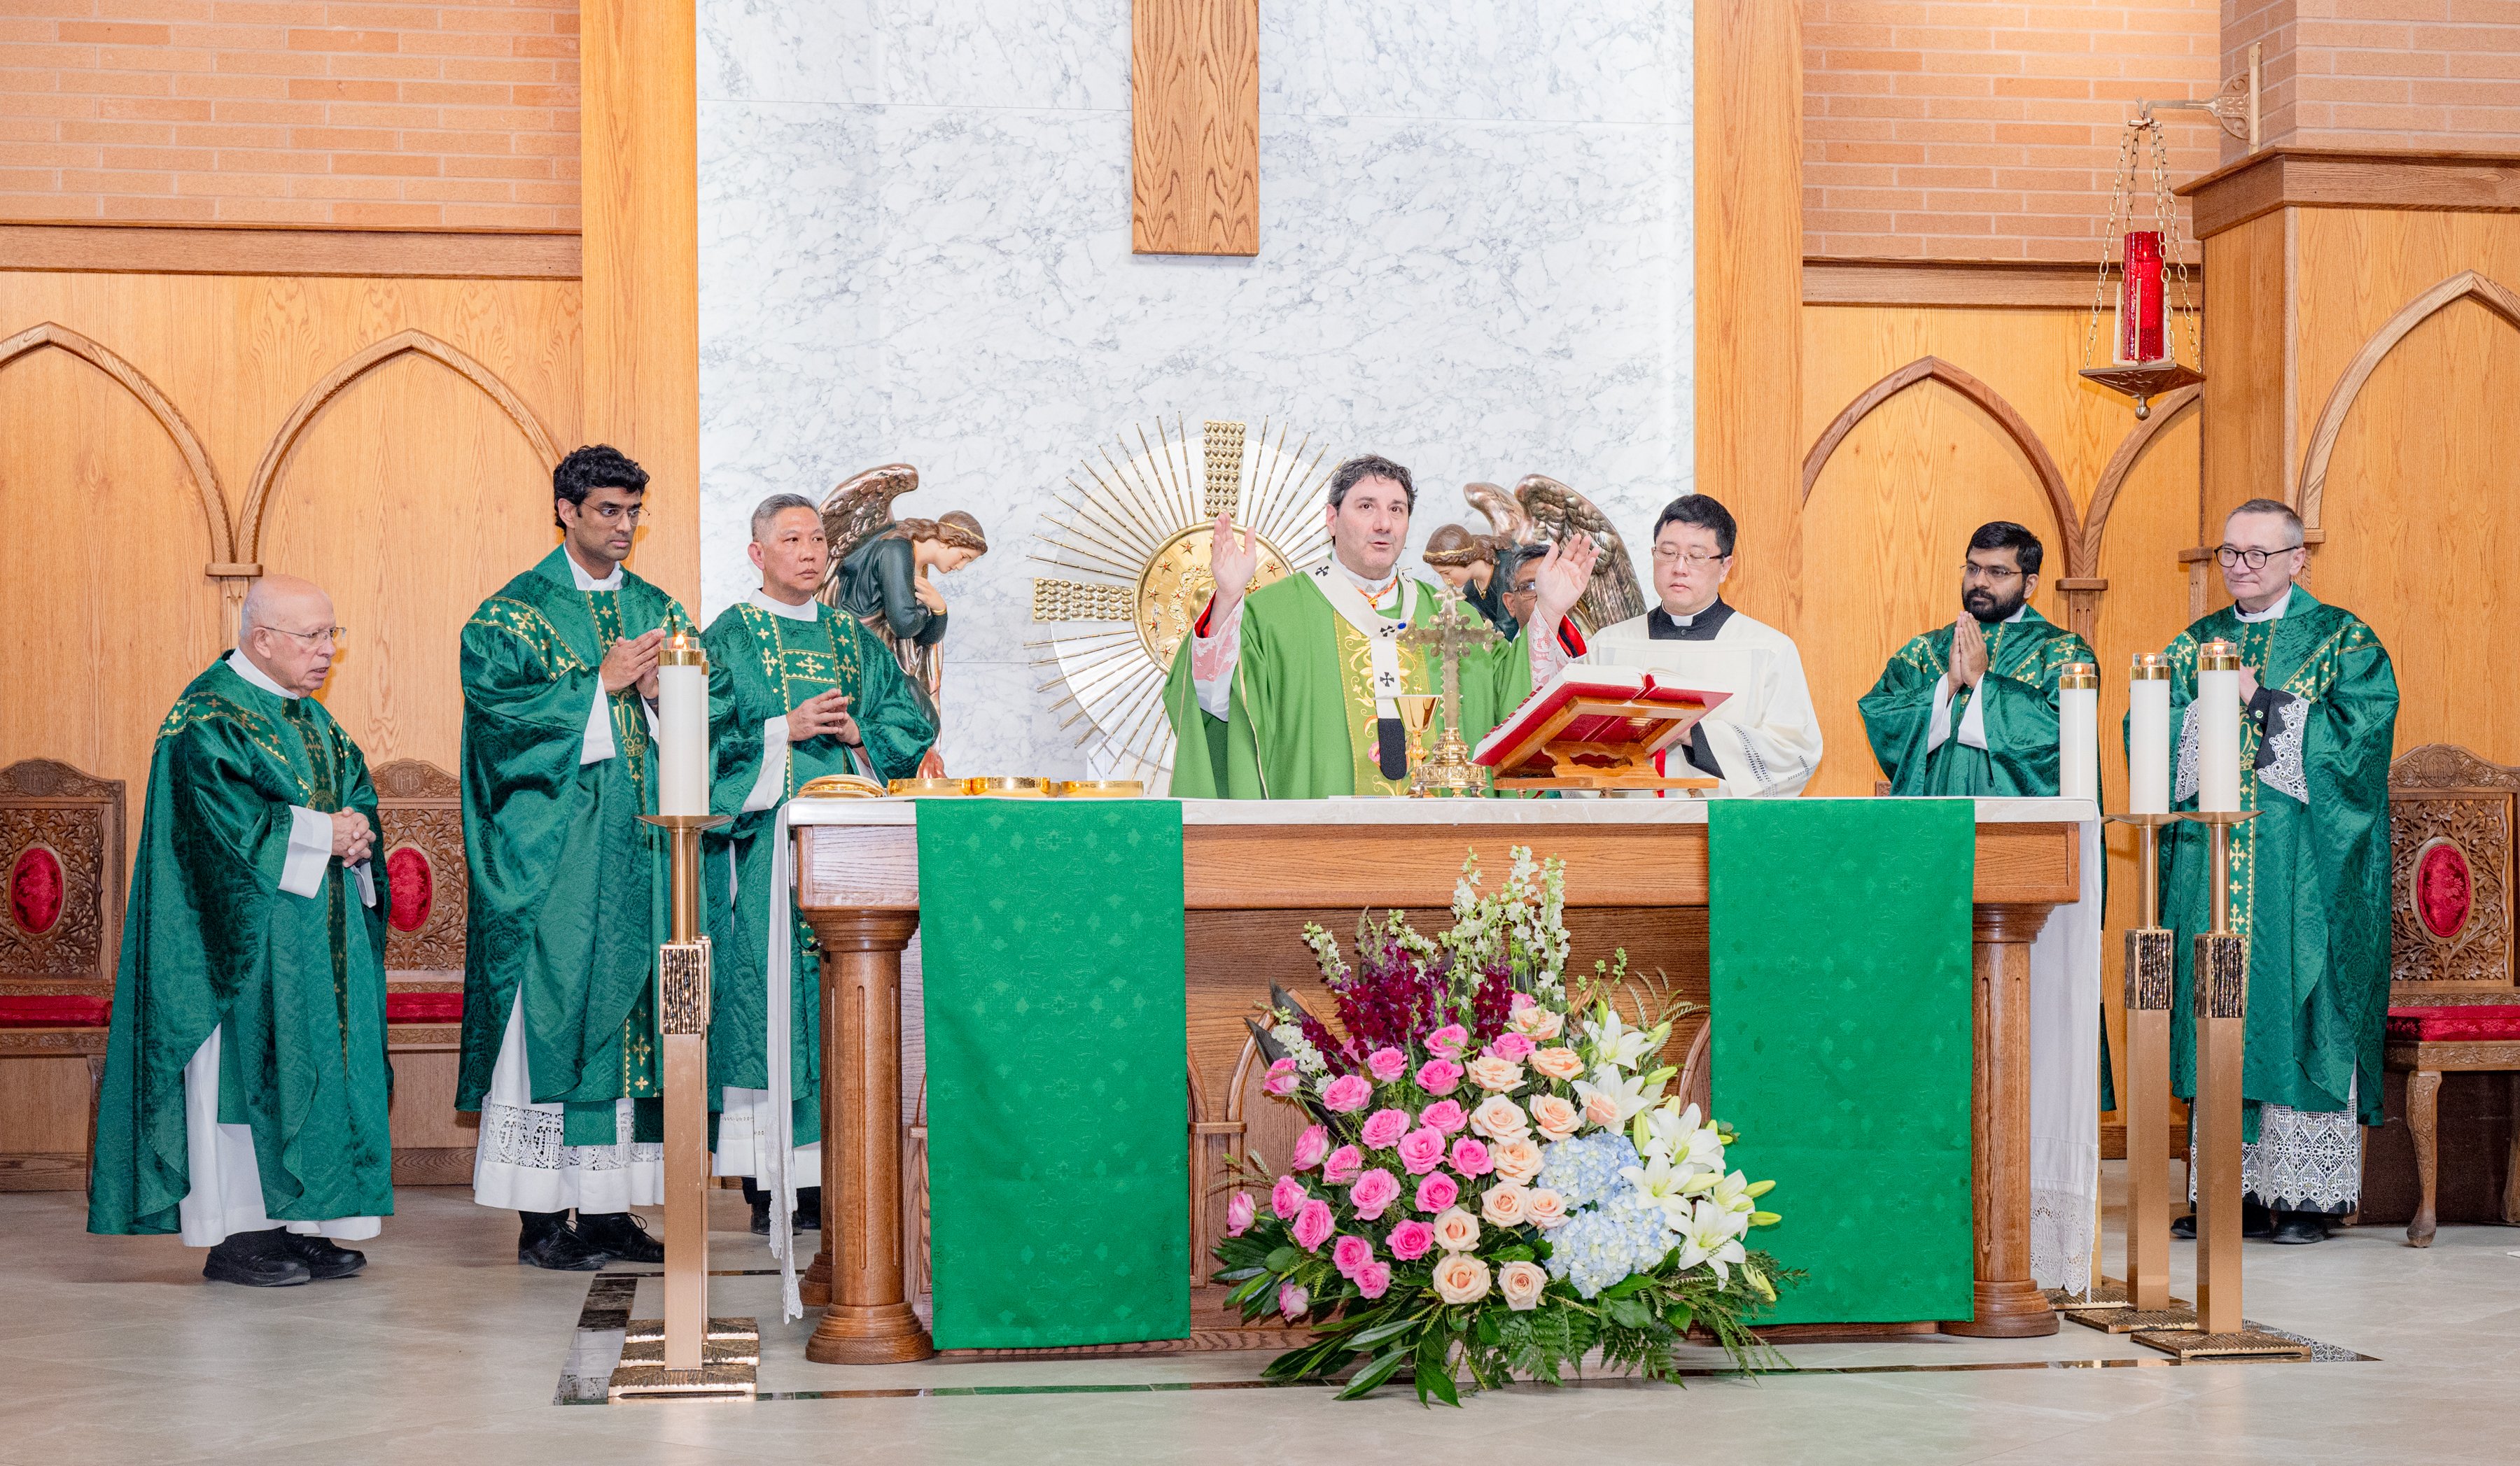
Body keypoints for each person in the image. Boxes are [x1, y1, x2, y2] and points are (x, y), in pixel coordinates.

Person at [88, 576, 391, 1287]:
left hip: (313, 938)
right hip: (235, 947)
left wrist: (356, 830)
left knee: (317, 1065)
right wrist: (326, 832)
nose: (326, 652)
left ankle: (306, 1219)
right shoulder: (209, 716)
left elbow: (354, 790)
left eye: (331, 635)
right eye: (312, 637)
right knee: (243, 1077)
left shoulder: (309, 716)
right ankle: (242, 1235)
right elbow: (220, 829)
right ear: (262, 639)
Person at [456, 444, 687, 1269]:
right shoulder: (509, 616)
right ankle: (543, 1215)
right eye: (608, 512)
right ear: (566, 509)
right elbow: (497, 724)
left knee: (632, 1017)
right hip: (554, 858)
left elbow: (712, 718)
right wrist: (600, 684)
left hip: (644, 855)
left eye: (633, 513)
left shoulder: (661, 609)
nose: (624, 528)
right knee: (554, 1011)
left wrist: (670, 695)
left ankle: (611, 1205)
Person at [2159, 499, 2397, 1246]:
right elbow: (2156, 732)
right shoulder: (2195, 642)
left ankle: (2302, 1199)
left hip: (2303, 869)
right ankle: (2227, 1192)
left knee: (2300, 1005)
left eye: (2259, 553)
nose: (2241, 566)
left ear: (2299, 559)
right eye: (2230, 552)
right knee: (2217, 1002)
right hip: (2215, 861)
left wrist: (2259, 701)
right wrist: (2197, 715)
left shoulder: (2344, 639)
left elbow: (2359, 745)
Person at [702, 495, 935, 1239]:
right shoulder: (729, 639)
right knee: (775, 1005)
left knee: (846, 1007)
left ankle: (836, 1172)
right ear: (757, 553)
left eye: (819, 538)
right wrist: (784, 729)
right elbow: (696, 744)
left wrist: (861, 731)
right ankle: (772, 1180)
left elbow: (912, 721)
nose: (810, 550)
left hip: (849, 856)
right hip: (770, 856)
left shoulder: (850, 638)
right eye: (793, 538)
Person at [1163, 454, 1532, 798]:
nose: (1384, 523)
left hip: (1439, 846)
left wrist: (1548, 613)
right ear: (1331, 519)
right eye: (1366, 506)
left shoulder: (1453, 616)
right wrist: (1227, 599)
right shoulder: (1274, 616)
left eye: (1396, 510)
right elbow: (1213, 705)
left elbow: (1515, 706)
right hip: (1318, 845)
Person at [1525, 493, 1822, 796]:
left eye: (1696, 556)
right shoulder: (1610, 645)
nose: (1680, 567)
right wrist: (1550, 610)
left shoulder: (1767, 650)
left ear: (1725, 567)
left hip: (1718, 832)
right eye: (1668, 553)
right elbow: (1552, 725)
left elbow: (1796, 755)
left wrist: (1692, 732)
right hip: (1625, 830)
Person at [1858, 521, 2098, 795]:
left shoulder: (2064, 654)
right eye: (1973, 569)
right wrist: (1946, 686)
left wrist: (1984, 684)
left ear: (2029, 584)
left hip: (2021, 829)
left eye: (1998, 572)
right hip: (1937, 820)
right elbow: (1880, 715)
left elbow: (2065, 737)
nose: (1979, 582)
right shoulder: (1927, 649)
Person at [828, 509, 988, 766]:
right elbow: (904, 623)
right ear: (949, 540)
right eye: (963, 557)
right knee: (922, 721)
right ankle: (889, 769)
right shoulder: (896, 549)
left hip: (877, 656)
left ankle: (888, 767)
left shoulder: (915, 562)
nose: (960, 567)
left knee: (925, 722)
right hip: (859, 656)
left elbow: (927, 638)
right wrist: (928, 609)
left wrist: (939, 610)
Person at [1495, 542, 1587, 658]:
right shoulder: (1499, 667)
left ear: (1573, 600)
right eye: (1530, 586)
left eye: (1553, 583)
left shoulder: (1594, 659)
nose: (1544, 594)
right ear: (1511, 604)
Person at [1422, 524, 1513, 636]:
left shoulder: (1507, 573)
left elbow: (1504, 633)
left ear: (1466, 560)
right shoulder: (1471, 587)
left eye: (1447, 573)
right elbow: (1469, 621)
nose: (1446, 581)